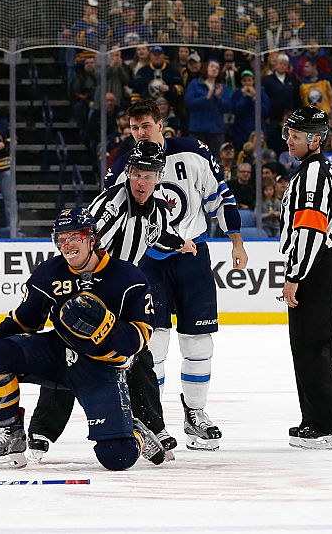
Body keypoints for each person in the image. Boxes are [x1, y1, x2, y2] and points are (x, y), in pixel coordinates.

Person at [0, 208, 166, 470]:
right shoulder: (49, 272)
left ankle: (135, 432)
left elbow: (138, 342)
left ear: (92, 238)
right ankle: (12, 435)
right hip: (58, 354)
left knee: (117, 457)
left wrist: (107, 327)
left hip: (101, 368)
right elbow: (25, 320)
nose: (66, 244)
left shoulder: (128, 277)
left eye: (74, 236)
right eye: (61, 238)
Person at [26, 141, 196, 459]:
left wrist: (182, 242)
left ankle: (152, 426)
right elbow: (87, 239)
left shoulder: (158, 207)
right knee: (70, 354)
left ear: (159, 176)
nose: (142, 181)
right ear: (128, 173)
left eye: (149, 174)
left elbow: (160, 233)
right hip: (85, 290)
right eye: (137, 173)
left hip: (121, 295)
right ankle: (40, 433)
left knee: (138, 356)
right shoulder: (114, 203)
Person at [105, 99, 246, 451]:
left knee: (198, 342)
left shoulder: (193, 152)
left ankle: (196, 414)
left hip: (192, 256)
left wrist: (237, 243)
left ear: (161, 125)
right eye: (135, 128)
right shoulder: (123, 165)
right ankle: (155, 421)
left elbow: (220, 198)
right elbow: (111, 218)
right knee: (153, 345)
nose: (140, 133)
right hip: (146, 261)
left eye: (146, 126)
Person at [279, 106, 332, 450]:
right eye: (288, 135)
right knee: (307, 345)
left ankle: (325, 427)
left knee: (314, 345)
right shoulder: (315, 171)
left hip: (316, 265)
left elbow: (309, 229)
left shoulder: (314, 176)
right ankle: (313, 419)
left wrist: (294, 274)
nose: (288, 141)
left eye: (295, 136)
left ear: (315, 140)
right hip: (318, 264)